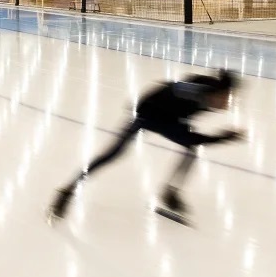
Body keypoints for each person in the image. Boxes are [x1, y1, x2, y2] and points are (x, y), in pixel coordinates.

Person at [49, 69, 244, 225]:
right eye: (228, 97)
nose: (228, 102)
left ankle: (170, 193)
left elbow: (183, 109)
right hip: (149, 115)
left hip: (171, 117)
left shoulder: (208, 95)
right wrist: (224, 137)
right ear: (219, 92)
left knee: (191, 150)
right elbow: (169, 91)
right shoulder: (194, 92)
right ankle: (67, 190)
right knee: (113, 154)